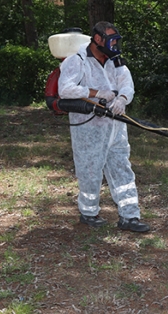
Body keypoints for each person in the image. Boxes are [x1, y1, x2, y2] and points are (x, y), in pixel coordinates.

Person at [58, 21, 149, 232]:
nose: (114, 44)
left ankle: (129, 217)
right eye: (110, 39)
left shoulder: (115, 61)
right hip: (88, 127)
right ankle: (89, 213)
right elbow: (66, 89)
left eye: (116, 39)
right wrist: (96, 93)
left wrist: (122, 99)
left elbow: (127, 84)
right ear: (98, 39)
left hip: (115, 127)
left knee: (122, 169)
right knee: (90, 170)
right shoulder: (77, 60)